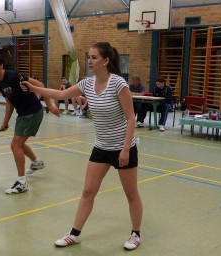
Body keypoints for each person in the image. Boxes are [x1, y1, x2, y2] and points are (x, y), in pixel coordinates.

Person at [21, 42, 143, 250]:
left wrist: (124, 149)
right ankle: (74, 233)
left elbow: (131, 119)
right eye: (89, 57)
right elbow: (59, 95)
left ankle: (135, 234)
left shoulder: (119, 84)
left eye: (94, 57)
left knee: (131, 194)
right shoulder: (86, 84)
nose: (90, 61)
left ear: (106, 61)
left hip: (123, 147)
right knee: (88, 191)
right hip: (101, 147)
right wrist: (34, 89)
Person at [0, 53, 61, 195]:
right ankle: (36, 162)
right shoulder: (0, 82)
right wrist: (5, 122)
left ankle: (21, 183)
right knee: (19, 143)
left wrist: (49, 106)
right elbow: (9, 103)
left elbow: (39, 85)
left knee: (15, 145)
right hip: (22, 114)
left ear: (0, 65)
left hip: (32, 112)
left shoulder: (14, 76)